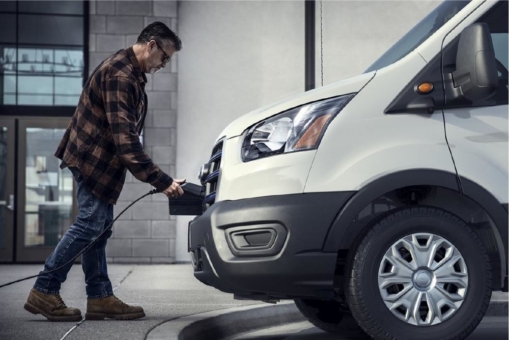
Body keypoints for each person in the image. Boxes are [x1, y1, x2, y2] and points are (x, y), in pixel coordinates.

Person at [23, 22, 184, 321]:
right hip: (91, 160)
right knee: (91, 223)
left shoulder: (130, 72)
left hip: (98, 162)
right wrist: (162, 181)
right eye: (165, 57)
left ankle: (100, 298)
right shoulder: (121, 75)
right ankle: (45, 289)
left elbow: (123, 137)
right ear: (151, 44)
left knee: (99, 229)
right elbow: (126, 140)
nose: (164, 64)